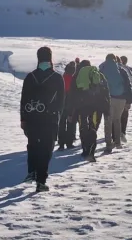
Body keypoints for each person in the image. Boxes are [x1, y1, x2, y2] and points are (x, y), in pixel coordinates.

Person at [20, 46, 65, 192]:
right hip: (49, 118)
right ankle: (41, 180)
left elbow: (24, 99)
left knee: (33, 145)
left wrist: (23, 118)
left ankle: (31, 170)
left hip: (31, 116)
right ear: (50, 58)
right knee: (46, 148)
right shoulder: (57, 77)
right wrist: (57, 115)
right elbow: (61, 101)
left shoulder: (30, 76)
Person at [72, 60, 109, 162]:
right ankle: (91, 152)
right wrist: (107, 108)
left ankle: (85, 150)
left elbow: (72, 94)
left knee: (83, 127)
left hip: (82, 107)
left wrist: (71, 110)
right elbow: (106, 92)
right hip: (97, 107)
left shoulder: (77, 77)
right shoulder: (99, 75)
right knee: (93, 128)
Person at [98, 53, 128, 153]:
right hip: (121, 99)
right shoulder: (121, 70)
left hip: (109, 98)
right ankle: (118, 142)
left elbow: (99, 85)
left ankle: (108, 144)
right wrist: (128, 101)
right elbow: (128, 85)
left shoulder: (102, 69)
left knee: (108, 121)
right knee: (117, 120)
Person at [58, 61, 77, 150]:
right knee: (71, 123)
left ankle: (61, 143)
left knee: (61, 124)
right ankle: (69, 143)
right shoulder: (74, 78)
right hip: (71, 103)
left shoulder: (63, 77)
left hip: (62, 103)